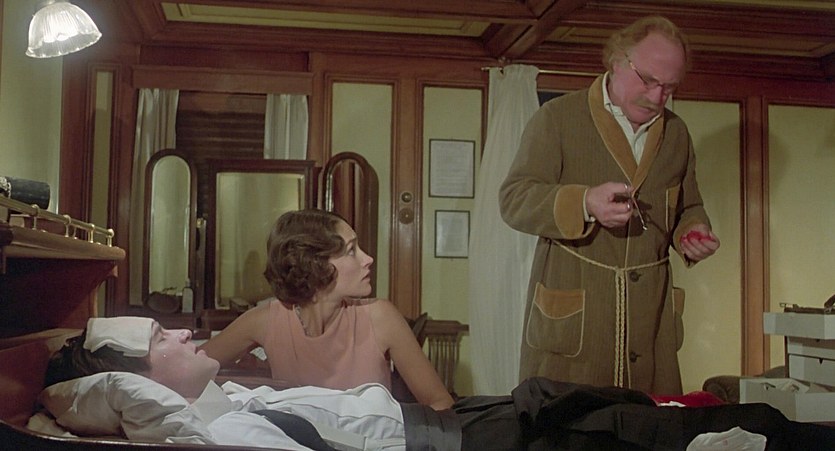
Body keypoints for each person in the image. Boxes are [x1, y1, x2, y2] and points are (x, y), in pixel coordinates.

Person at [42, 317, 835, 450]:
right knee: (642, 429)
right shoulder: (223, 432)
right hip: (445, 440)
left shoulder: (233, 399)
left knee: (605, 403)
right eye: (163, 340)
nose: (184, 333)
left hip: (449, 427)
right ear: (138, 379)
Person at [498, 16, 721, 395]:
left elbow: (688, 205)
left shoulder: (677, 134)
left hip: (650, 325)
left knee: (648, 421)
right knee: (570, 423)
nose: (657, 97)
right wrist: (584, 202)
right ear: (617, 60)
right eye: (647, 80)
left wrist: (691, 232)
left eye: (669, 87)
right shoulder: (558, 119)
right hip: (575, 329)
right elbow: (514, 199)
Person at [198, 209, 454, 410]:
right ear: (315, 264)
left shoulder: (380, 317)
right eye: (351, 251)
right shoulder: (266, 320)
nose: (368, 259)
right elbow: (189, 370)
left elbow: (441, 403)